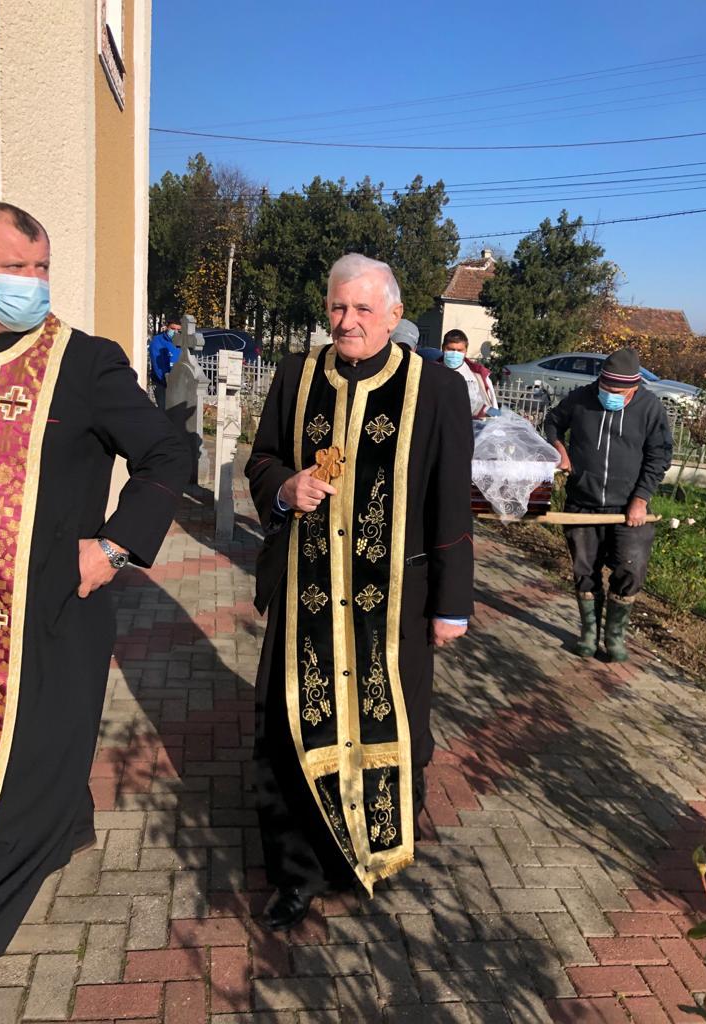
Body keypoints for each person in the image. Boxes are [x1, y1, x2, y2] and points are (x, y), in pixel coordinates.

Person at [0, 202, 190, 959]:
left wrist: (116, 546)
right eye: (15, 267)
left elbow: (168, 453)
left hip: (52, 610)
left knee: (29, 761)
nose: (32, 283)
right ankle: (65, 827)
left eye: (42, 268)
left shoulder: (85, 362)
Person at [246, 253, 474, 930]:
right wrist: (284, 487)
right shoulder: (296, 375)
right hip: (306, 597)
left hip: (395, 602)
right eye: (338, 307)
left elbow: (450, 501)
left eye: (363, 309)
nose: (347, 321)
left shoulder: (436, 389)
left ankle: (375, 855)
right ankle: (297, 877)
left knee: (394, 727)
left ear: (394, 315)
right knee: (291, 730)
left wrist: (452, 604)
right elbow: (261, 459)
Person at [544, 348, 672, 662]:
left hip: (628, 508)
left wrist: (640, 499)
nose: (610, 396)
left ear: (634, 388)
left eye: (619, 393)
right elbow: (552, 422)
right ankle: (589, 634)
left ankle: (614, 637)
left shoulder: (650, 408)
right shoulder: (581, 398)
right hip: (582, 503)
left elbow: (659, 456)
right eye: (606, 389)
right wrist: (559, 449)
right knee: (584, 570)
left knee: (630, 568)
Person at [440, 329, 498, 417]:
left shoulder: (479, 375)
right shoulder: (431, 372)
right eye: (451, 349)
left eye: (459, 350)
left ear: (466, 351)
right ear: (443, 348)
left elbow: (493, 411)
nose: (455, 353)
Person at [149, 318, 181, 409]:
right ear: (167, 327)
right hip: (161, 383)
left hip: (178, 383)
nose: (175, 332)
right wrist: (167, 380)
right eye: (173, 329)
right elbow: (158, 366)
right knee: (164, 409)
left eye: (178, 330)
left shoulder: (180, 342)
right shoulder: (157, 340)